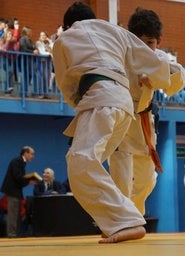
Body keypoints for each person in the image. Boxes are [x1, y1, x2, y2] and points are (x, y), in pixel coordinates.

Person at [52, 2, 172, 243]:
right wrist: (158, 79)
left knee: (81, 162)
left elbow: (66, 84)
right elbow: (151, 59)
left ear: (67, 25)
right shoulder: (114, 31)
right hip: (126, 106)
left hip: (100, 99)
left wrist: (79, 105)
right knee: (90, 164)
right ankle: (117, 222)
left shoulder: (64, 39)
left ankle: (126, 221)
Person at [108, 7, 185, 216]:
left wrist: (156, 77)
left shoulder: (159, 59)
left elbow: (182, 77)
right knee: (121, 178)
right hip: (120, 118)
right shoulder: (120, 56)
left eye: (150, 43)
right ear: (131, 39)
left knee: (146, 181)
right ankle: (119, 222)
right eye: (140, 42)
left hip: (143, 122)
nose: (145, 48)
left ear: (159, 42)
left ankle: (133, 216)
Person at [0, 146, 36, 237]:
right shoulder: (17, 161)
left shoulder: (21, 162)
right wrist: (29, 180)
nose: (33, 156)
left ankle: (14, 233)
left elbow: (19, 179)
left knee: (16, 213)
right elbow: (17, 177)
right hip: (12, 191)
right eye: (32, 154)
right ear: (25, 153)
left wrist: (28, 181)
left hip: (16, 191)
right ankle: (12, 234)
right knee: (13, 213)